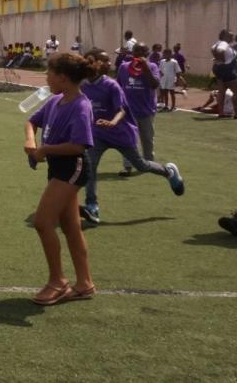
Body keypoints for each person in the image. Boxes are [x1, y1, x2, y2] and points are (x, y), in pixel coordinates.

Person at [78, 49, 184, 225]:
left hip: (120, 133)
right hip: (98, 134)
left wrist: (113, 122)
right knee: (90, 168)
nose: (109, 64)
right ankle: (91, 205)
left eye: (108, 60)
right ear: (93, 63)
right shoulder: (83, 85)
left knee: (141, 165)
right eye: (104, 61)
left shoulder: (111, 85)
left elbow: (122, 110)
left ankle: (168, 172)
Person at [24, 53, 96, 305]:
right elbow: (31, 121)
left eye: (49, 73)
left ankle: (58, 281)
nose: (46, 77)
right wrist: (31, 141)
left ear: (63, 78)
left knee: (43, 223)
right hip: (57, 168)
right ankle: (85, 283)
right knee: (70, 227)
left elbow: (78, 146)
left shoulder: (81, 106)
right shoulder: (56, 101)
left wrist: (44, 150)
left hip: (71, 168)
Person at [117, 45, 166, 177]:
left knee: (147, 140)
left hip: (146, 110)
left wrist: (146, 68)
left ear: (148, 53)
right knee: (128, 140)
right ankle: (127, 166)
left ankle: (149, 165)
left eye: (143, 51)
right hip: (128, 110)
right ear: (132, 53)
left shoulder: (153, 66)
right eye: (137, 51)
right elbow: (119, 86)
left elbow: (154, 84)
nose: (139, 53)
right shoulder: (123, 67)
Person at [210, 30, 237, 119]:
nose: (232, 37)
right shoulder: (224, 43)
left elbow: (213, 49)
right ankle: (236, 113)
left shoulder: (218, 43)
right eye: (230, 36)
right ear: (224, 36)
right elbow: (220, 50)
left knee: (221, 92)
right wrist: (222, 60)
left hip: (219, 70)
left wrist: (218, 60)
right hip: (227, 69)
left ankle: (221, 113)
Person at [158, 47, 181, 112]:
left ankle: (173, 106)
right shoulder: (162, 61)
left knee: (172, 93)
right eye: (164, 54)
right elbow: (160, 70)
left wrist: (177, 80)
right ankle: (166, 105)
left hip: (171, 79)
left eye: (167, 54)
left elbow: (178, 72)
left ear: (171, 54)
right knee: (165, 92)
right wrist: (161, 75)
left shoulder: (174, 62)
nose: (165, 55)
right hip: (164, 79)